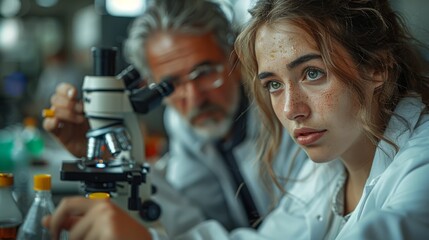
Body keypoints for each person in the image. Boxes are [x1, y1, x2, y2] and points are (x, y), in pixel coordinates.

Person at [43, 0, 429, 239]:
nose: (292, 110)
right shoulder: (327, 174)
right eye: (274, 84)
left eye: (313, 73)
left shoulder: (416, 163)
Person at [42, 0, 305, 237]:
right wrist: (109, 157)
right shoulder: (184, 124)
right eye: (171, 85)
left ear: (236, 60)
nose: (194, 98)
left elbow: (294, 230)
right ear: (150, 85)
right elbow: (191, 220)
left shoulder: (291, 116)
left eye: (204, 72)